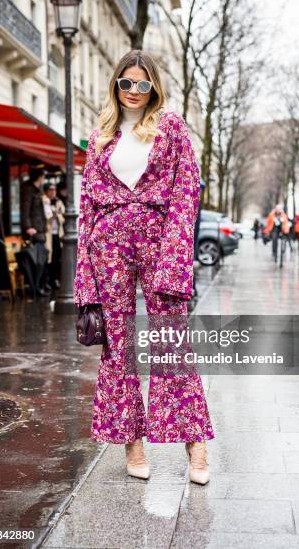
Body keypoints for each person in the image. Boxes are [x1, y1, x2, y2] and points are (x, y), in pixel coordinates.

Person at [74, 49, 214, 485]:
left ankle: (196, 447)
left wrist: (175, 257)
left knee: (172, 343)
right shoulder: (102, 135)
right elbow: (87, 208)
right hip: (108, 245)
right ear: (116, 84)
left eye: (142, 84)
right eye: (126, 83)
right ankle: (133, 443)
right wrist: (85, 283)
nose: (133, 92)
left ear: (154, 88)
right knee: (118, 347)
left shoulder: (171, 128)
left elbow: (186, 192)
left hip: (159, 241)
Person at [20, 168, 49, 297]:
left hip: (41, 229)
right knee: (35, 261)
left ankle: (36, 287)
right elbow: (25, 210)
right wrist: (28, 227)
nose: (44, 180)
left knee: (41, 260)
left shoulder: (39, 191)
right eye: (43, 177)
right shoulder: (29, 190)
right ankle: (34, 288)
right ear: (39, 177)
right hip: (34, 231)